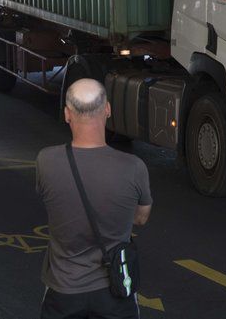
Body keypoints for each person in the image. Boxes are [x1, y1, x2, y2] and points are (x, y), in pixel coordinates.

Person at [36, 79, 152, 319]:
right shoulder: (133, 167)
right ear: (107, 109)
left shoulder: (46, 161)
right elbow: (141, 218)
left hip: (63, 290)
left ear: (68, 114)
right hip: (114, 289)